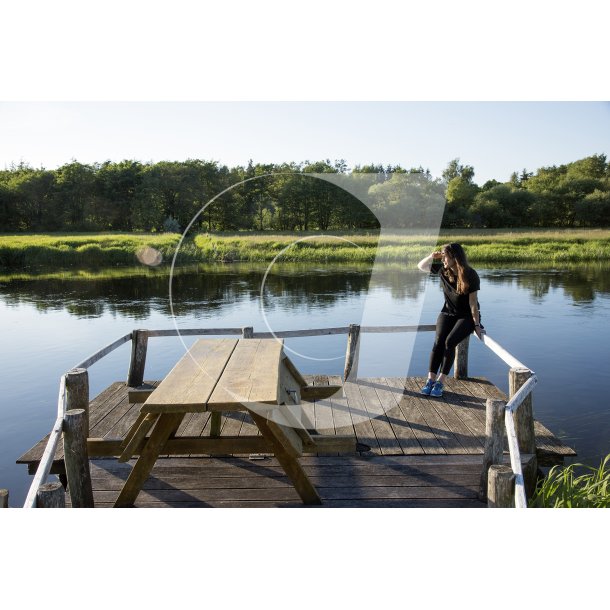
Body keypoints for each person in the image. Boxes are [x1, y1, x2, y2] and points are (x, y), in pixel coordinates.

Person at [416, 242, 485, 397]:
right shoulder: (444, 270)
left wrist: (477, 324)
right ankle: (430, 380)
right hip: (448, 312)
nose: (443, 260)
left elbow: (473, 303)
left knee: (449, 342)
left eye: (445, 257)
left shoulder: (470, 274)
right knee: (439, 340)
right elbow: (420, 266)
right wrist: (431, 256)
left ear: (455, 257)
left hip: (466, 316)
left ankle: (440, 382)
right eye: (443, 257)